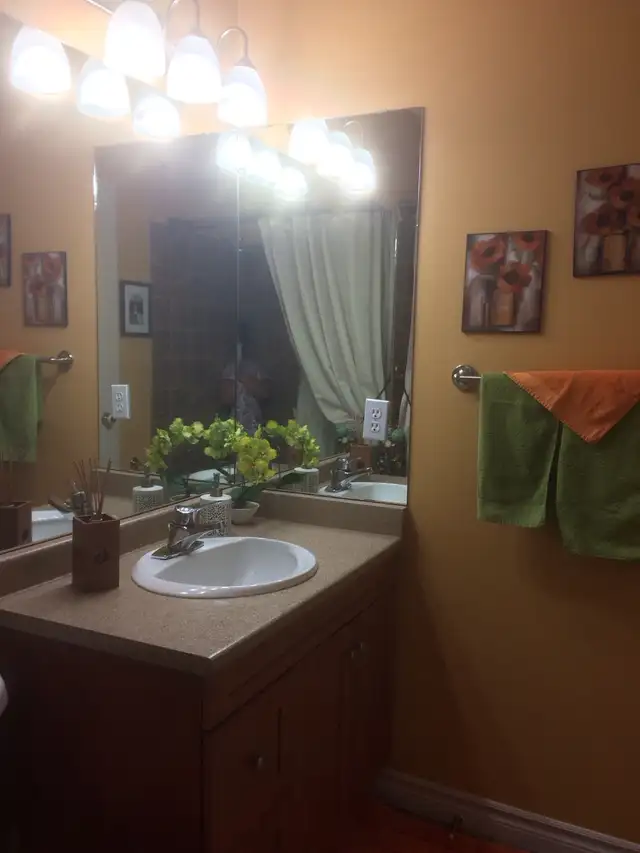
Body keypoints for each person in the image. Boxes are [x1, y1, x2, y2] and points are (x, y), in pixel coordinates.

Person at [221, 324, 269, 434]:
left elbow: (266, 393)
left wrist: (249, 381)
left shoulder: (258, 368)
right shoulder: (230, 368)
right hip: (234, 423)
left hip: (256, 422)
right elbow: (225, 398)